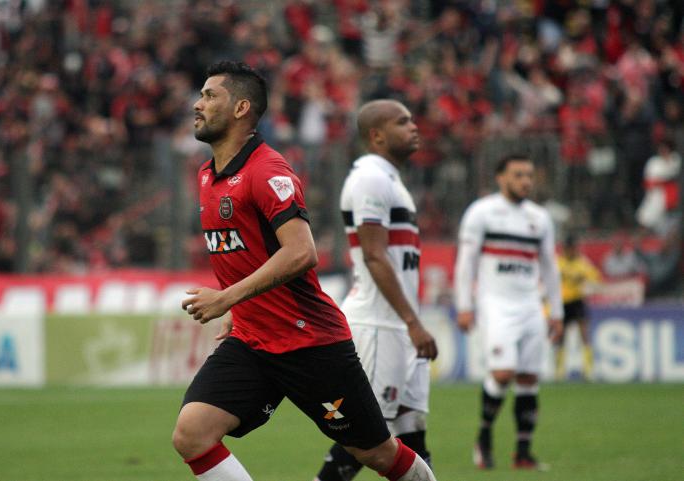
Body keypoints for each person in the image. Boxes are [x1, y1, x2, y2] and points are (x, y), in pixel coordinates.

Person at [172, 61, 437, 481]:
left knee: (376, 453)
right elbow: (248, 252)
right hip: (253, 340)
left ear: (241, 108)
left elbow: (301, 252)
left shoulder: (268, 171)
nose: (197, 104)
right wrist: (241, 312)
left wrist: (227, 298)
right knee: (192, 433)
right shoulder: (208, 176)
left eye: (209, 96)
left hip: (308, 340)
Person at [313, 100, 439, 481]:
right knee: (369, 436)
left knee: (410, 423)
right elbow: (374, 255)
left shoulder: (392, 180)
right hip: (379, 324)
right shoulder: (370, 178)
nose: (414, 127)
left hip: (399, 324)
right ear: (377, 135)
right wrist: (413, 322)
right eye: (403, 122)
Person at [453, 154, 563, 470]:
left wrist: (555, 311)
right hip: (495, 304)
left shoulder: (539, 217)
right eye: (518, 175)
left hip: (530, 305)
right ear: (500, 177)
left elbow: (549, 266)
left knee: (529, 377)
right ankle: (484, 438)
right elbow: (466, 262)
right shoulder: (482, 212)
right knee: (503, 374)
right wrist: (464, 305)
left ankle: (523, 453)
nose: (525, 181)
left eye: (529, 175)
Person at [555, 233, 602, 380]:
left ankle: (588, 370)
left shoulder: (583, 264)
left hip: (577, 302)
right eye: (568, 248)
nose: (570, 251)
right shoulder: (557, 263)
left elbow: (596, 281)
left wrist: (589, 287)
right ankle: (560, 372)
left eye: (572, 248)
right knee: (560, 337)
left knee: (584, 335)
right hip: (561, 303)